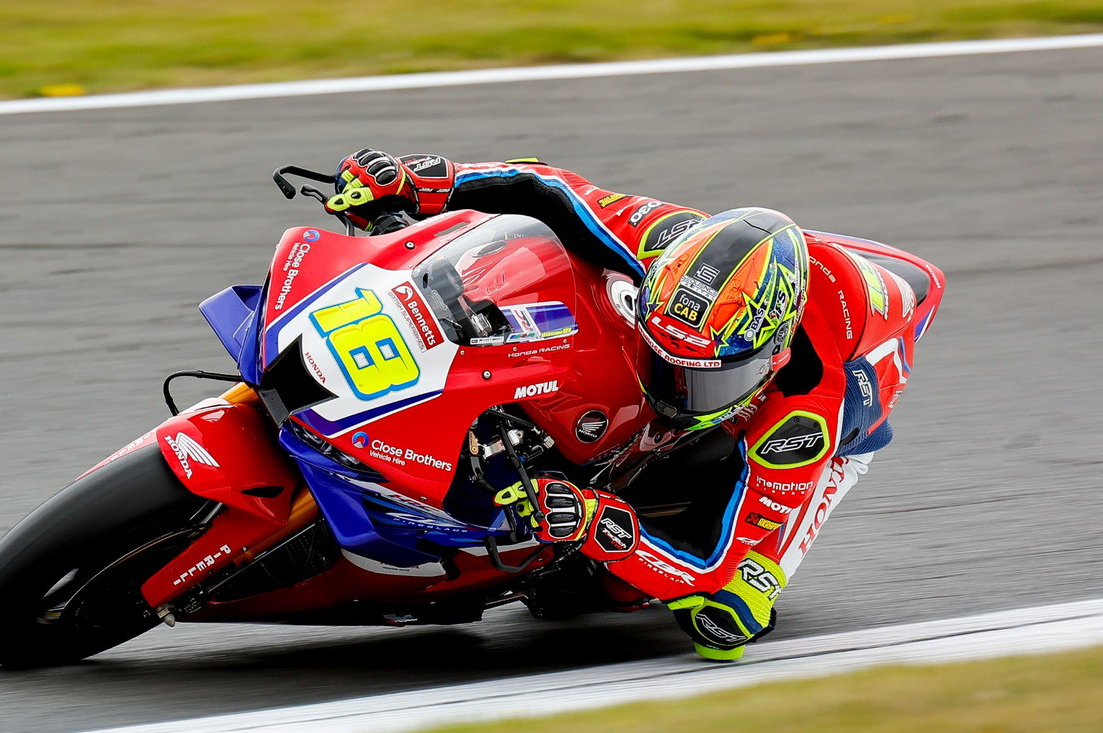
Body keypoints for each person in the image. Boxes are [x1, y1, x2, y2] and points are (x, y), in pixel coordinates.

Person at [330, 149, 944, 661]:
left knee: (727, 616)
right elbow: (548, 189)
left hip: (851, 387)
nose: (675, 390)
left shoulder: (808, 412)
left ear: (769, 357)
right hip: (753, 289)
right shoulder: (665, 242)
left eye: (699, 380)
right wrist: (429, 181)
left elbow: (713, 566)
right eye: (666, 363)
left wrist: (594, 520)